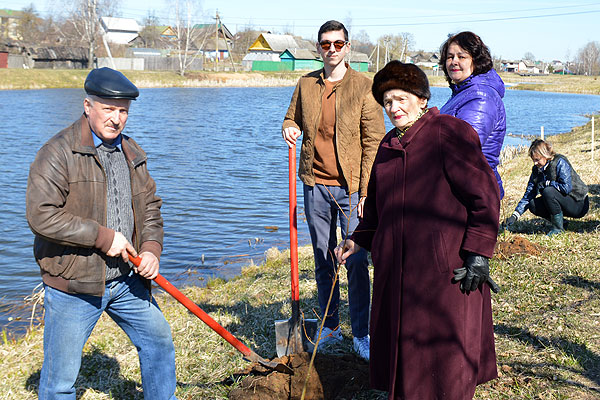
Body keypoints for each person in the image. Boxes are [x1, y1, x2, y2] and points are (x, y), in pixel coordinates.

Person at [335, 61, 500, 399]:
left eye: (401, 98)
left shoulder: (448, 133)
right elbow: (378, 209)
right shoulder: (386, 146)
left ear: (422, 98)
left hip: (444, 272)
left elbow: (484, 196)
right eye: (387, 102)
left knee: (444, 362)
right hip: (396, 270)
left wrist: (479, 253)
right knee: (406, 356)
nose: (394, 108)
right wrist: (358, 239)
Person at [26, 67, 177, 399]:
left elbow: (151, 207)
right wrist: (104, 237)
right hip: (74, 285)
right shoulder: (57, 152)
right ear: (87, 105)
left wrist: (151, 249)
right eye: (108, 109)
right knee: (59, 381)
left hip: (127, 280)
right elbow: (41, 216)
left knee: (159, 342)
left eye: (123, 110)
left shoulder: (131, 152)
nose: (117, 118)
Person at [281, 20, 385, 361]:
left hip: (352, 190)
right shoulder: (306, 84)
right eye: (326, 44)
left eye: (338, 44)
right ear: (318, 47)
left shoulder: (365, 87)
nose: (332, 50)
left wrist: (367, 193)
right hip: (315, 187)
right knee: (324, 258)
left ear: (348, 47)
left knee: (354, 259)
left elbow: (374, 143)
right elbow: (291, 118)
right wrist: (290, 128)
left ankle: (361, 333)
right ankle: (331, 325)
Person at [439, 31, 507, 198]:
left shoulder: (481, 96)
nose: (454, 62)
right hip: (463, 186)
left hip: (473, 192)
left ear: (476, 61)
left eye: (461, 57)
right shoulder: (463, 92)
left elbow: (463, 149)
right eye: (450, 57)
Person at [504, 138, 589, 236]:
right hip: (562, 201)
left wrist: (548, 183)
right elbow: (528, 194)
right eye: (533, 160)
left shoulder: (560, 162)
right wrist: (515, 216)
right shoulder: (536, 170)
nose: (535, 163)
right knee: (532, 204)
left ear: (545, 155)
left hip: (578, 203)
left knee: (548, 192)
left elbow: (566, 188)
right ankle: (562, 223)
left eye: (537, 159)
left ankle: (558, 229)